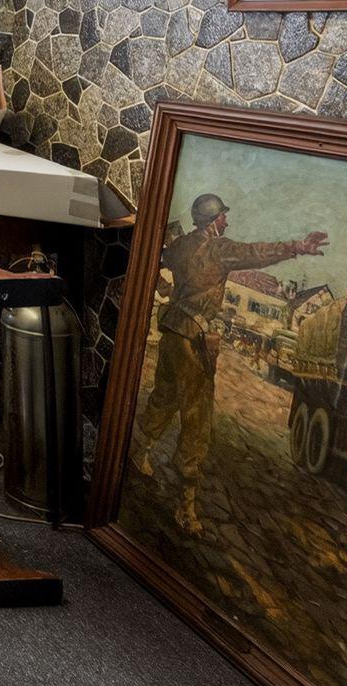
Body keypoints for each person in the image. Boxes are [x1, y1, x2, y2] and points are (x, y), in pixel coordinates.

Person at [131, 193, 328, 534]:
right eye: (222, 217)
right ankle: (186, 505)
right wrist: (297, 246)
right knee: (197, 417)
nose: (227, 221)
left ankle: (141, 451)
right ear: (211, 221)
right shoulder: (217, 249)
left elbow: (154, 263)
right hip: (193, 338)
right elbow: (256, 253)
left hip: (172, 331)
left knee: (164, 394)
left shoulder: (180, 247)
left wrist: (168, 291)